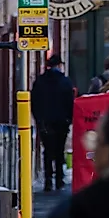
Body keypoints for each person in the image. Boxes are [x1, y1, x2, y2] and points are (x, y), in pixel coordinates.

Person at [32, 56, 77, 194]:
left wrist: (38, 119)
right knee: (59, 150)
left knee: (47, 151)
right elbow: (70, 102)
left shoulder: (40, 81)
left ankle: (47, 180)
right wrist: (69, 119)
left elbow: (34, 102)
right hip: (61, 122)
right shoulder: (65, 82)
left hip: (45, 121)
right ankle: (59, 179)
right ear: (59, 65)